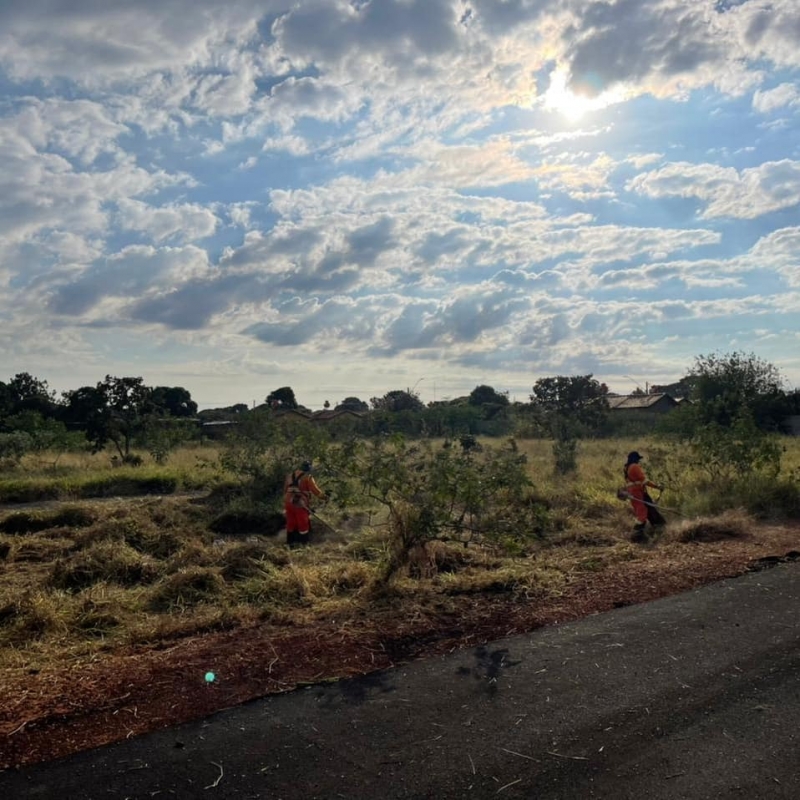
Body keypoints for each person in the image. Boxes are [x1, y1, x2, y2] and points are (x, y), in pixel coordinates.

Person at [623, 451, 665, 540]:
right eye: (638, 459)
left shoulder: (627, 468)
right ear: (634, 459)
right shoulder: (635, 467)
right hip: (637, 493)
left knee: (649, 510)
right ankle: (636, 535)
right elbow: (644, 481)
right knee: (642, 513)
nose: (639, 461)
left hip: (634, 493)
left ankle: (657, 527)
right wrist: (657, 486)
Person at [283, 460, 325, 547]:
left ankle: (290, 544)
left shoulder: (290, 476)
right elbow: (316, 491)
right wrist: (324, 497)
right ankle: (304, 545)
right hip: (300, 503)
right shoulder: (307, 477)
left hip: (288, 501)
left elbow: (285, 490)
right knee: (303, 523)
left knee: (291, 522)